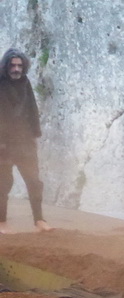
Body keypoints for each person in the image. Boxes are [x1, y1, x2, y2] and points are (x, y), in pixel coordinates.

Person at [0, 48, 52, 234]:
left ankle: (39, 220)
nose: (16, 69)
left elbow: (32, 109)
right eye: (12, 65)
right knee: (3, 183)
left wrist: (33, 136)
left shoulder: (25, 82)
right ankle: (2, 222)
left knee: (34, 181)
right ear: (6, 66)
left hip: (24, 143)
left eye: (19, 65)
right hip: (3, 144)